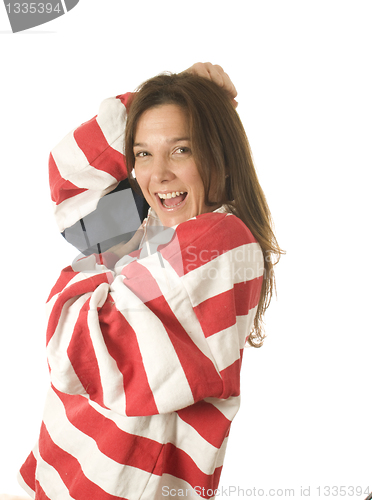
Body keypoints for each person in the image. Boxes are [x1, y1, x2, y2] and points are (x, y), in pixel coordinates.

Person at [16, 63, 282, 500]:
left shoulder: (218, 241)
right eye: (142, 153)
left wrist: (79, 279)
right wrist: (147, 99)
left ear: (221, 154)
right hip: (47, 483)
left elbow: (78, 352)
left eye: (181, 150)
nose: (158, 174)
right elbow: (68, 183)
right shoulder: (150, 231)